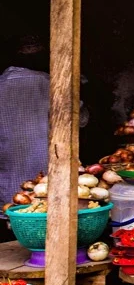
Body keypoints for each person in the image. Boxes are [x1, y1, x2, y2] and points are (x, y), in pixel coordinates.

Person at [0, 35, 89, 207]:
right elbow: (81, 120)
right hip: (48, 185)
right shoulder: (52, 85)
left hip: (8, 187)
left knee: (14, 224)